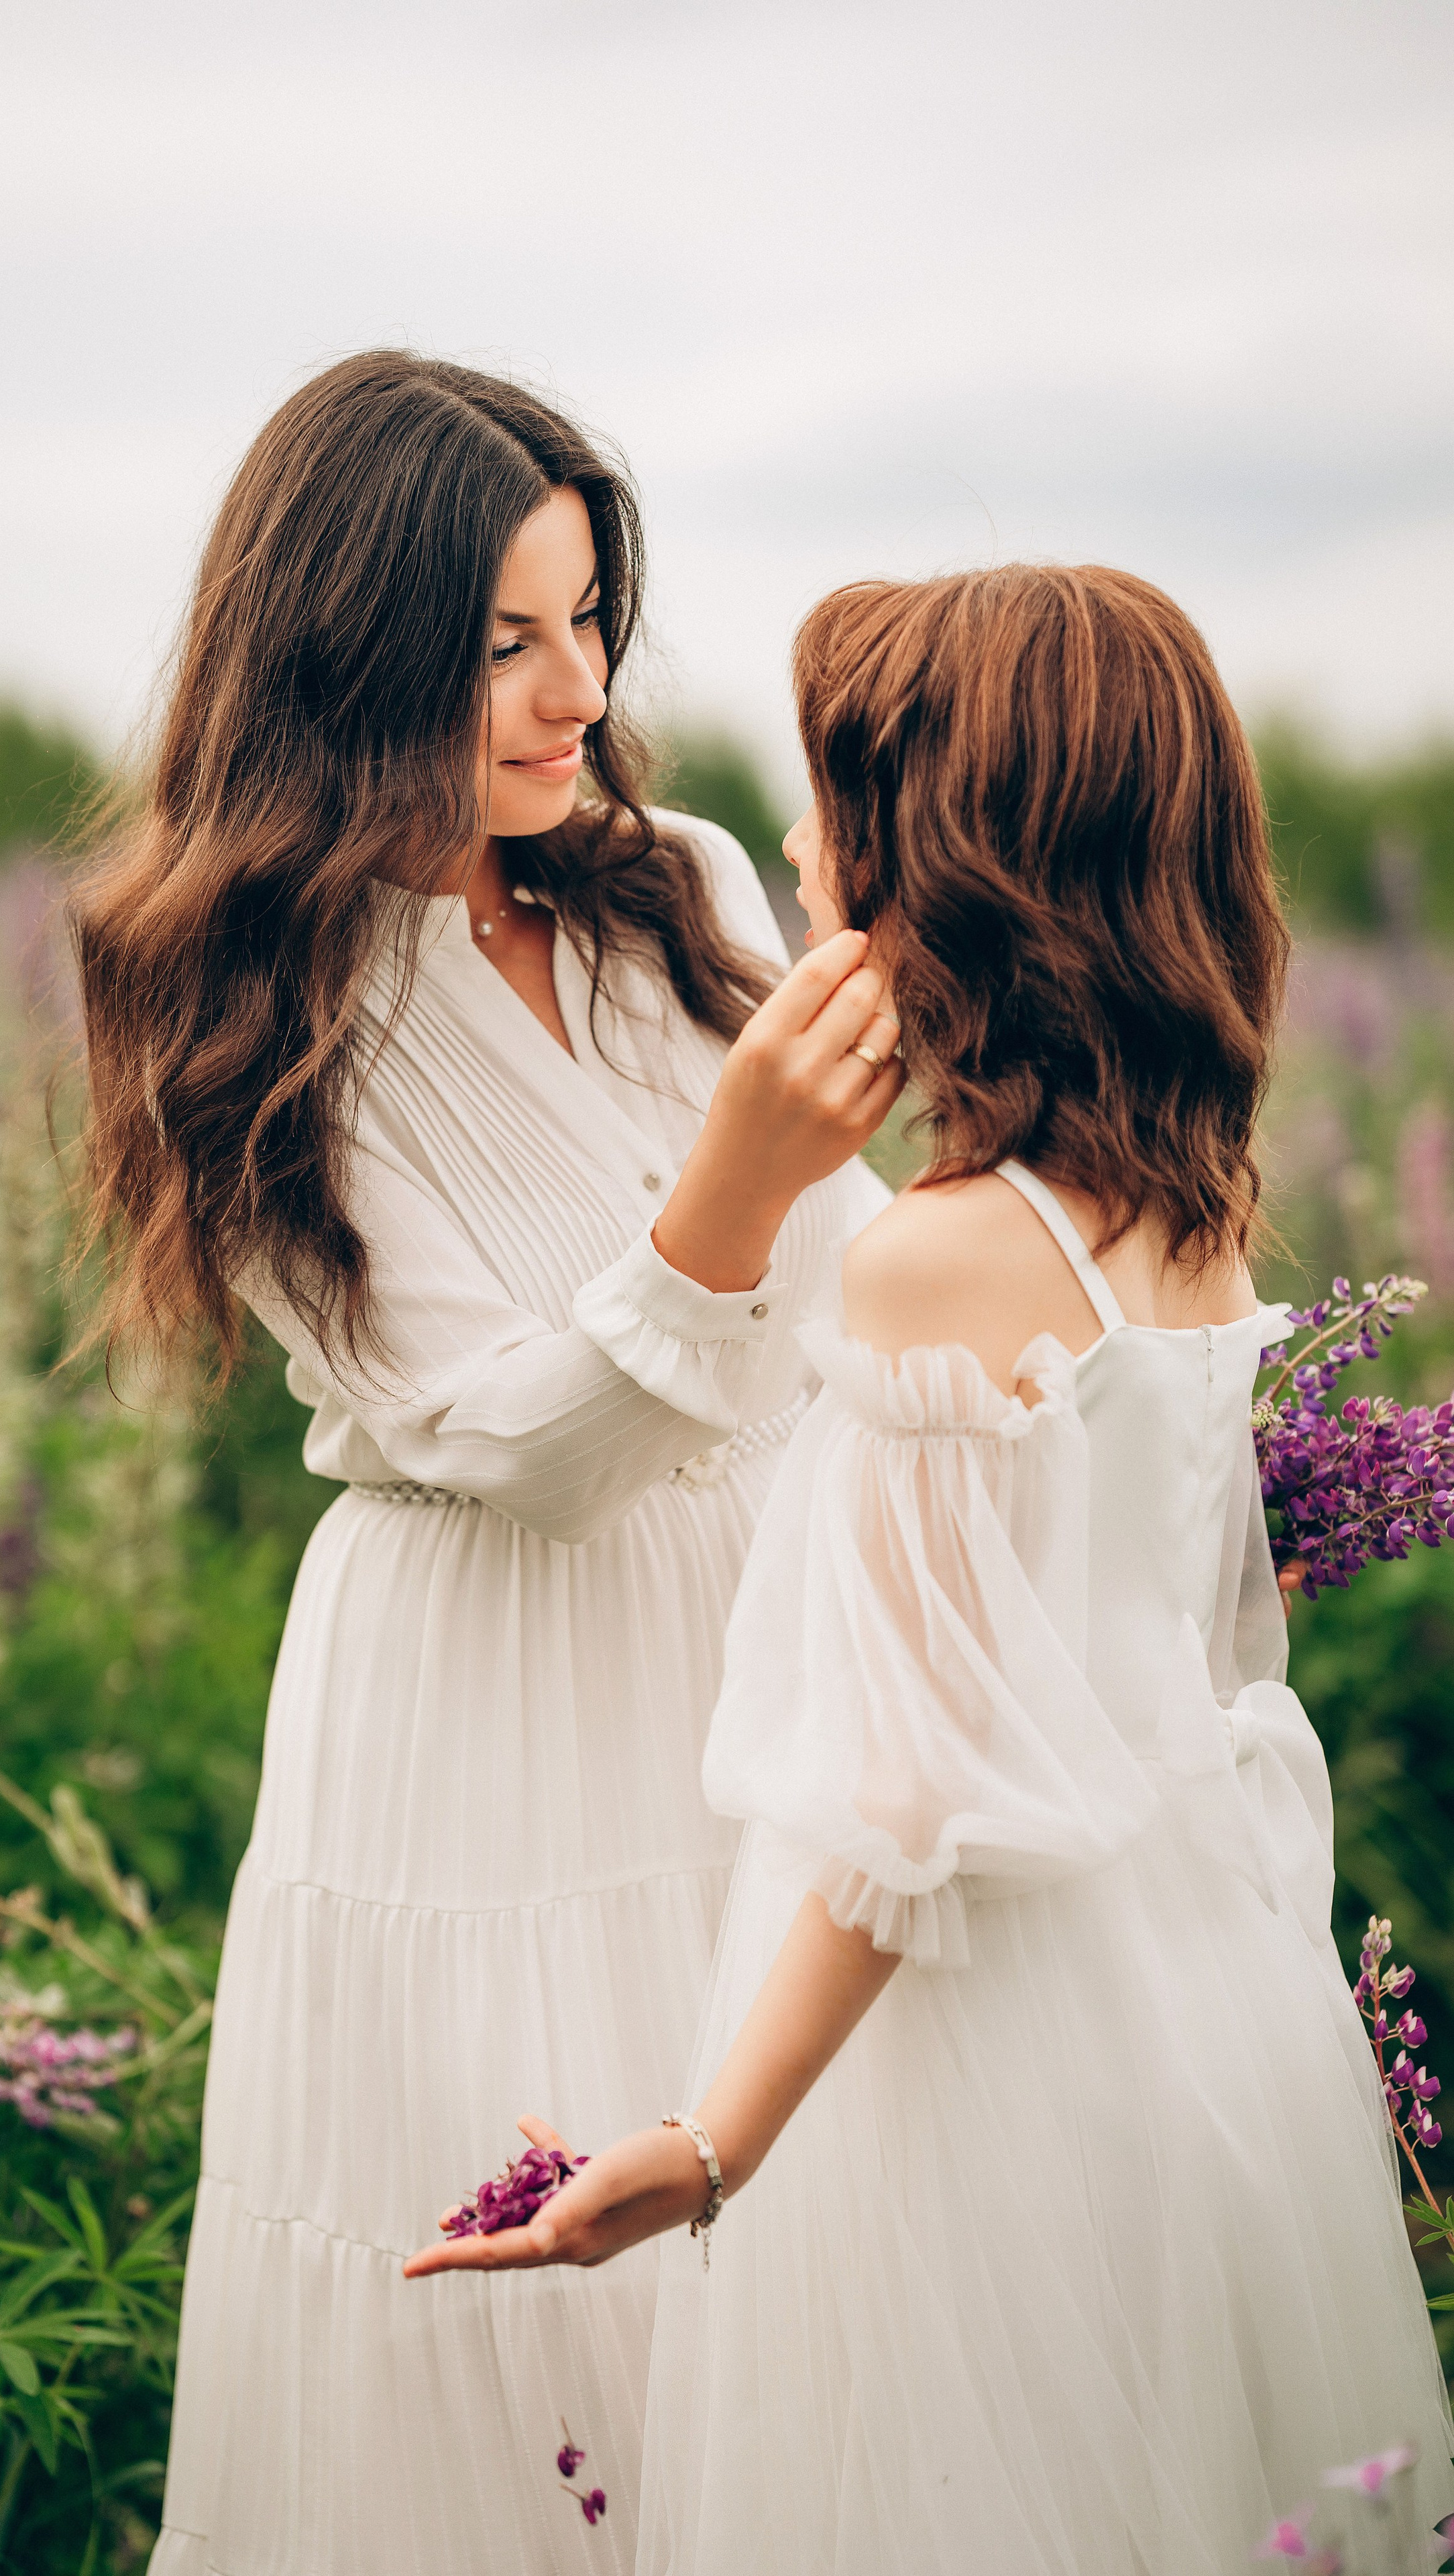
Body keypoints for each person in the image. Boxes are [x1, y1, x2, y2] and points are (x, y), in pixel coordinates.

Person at [405, 563, 1454, 2571]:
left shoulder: (936, 1258)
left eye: (823, 798)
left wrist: (713, 2145)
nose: (788, 841)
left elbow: (904, 1812)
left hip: (991, 2049)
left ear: (941, 855)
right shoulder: (1183, 1206)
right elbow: (1211, 1628)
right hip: (1204, 1992)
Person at [70, 352, 896, 2575]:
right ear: (348, 659)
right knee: (519, 2324)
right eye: (505, 643)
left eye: (590, 622)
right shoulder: (231, 984)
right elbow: (513, 1445)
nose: (578, 691)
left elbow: (863, 1297)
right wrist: (728, 1182)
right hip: (489, 1699)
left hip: (765, 1639)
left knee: (797, 2222)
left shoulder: (686, 884)